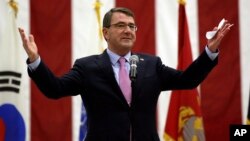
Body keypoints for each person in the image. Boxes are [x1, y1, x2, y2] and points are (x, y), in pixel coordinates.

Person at [19, 7, 233, 141]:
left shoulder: (151, 64)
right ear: (105, 33)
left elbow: (188, 80)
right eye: (120, 25)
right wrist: (35, 60)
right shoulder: (87, 68)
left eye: (132, 26)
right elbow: (54, 89)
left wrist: (209, 52)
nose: (128, 30)